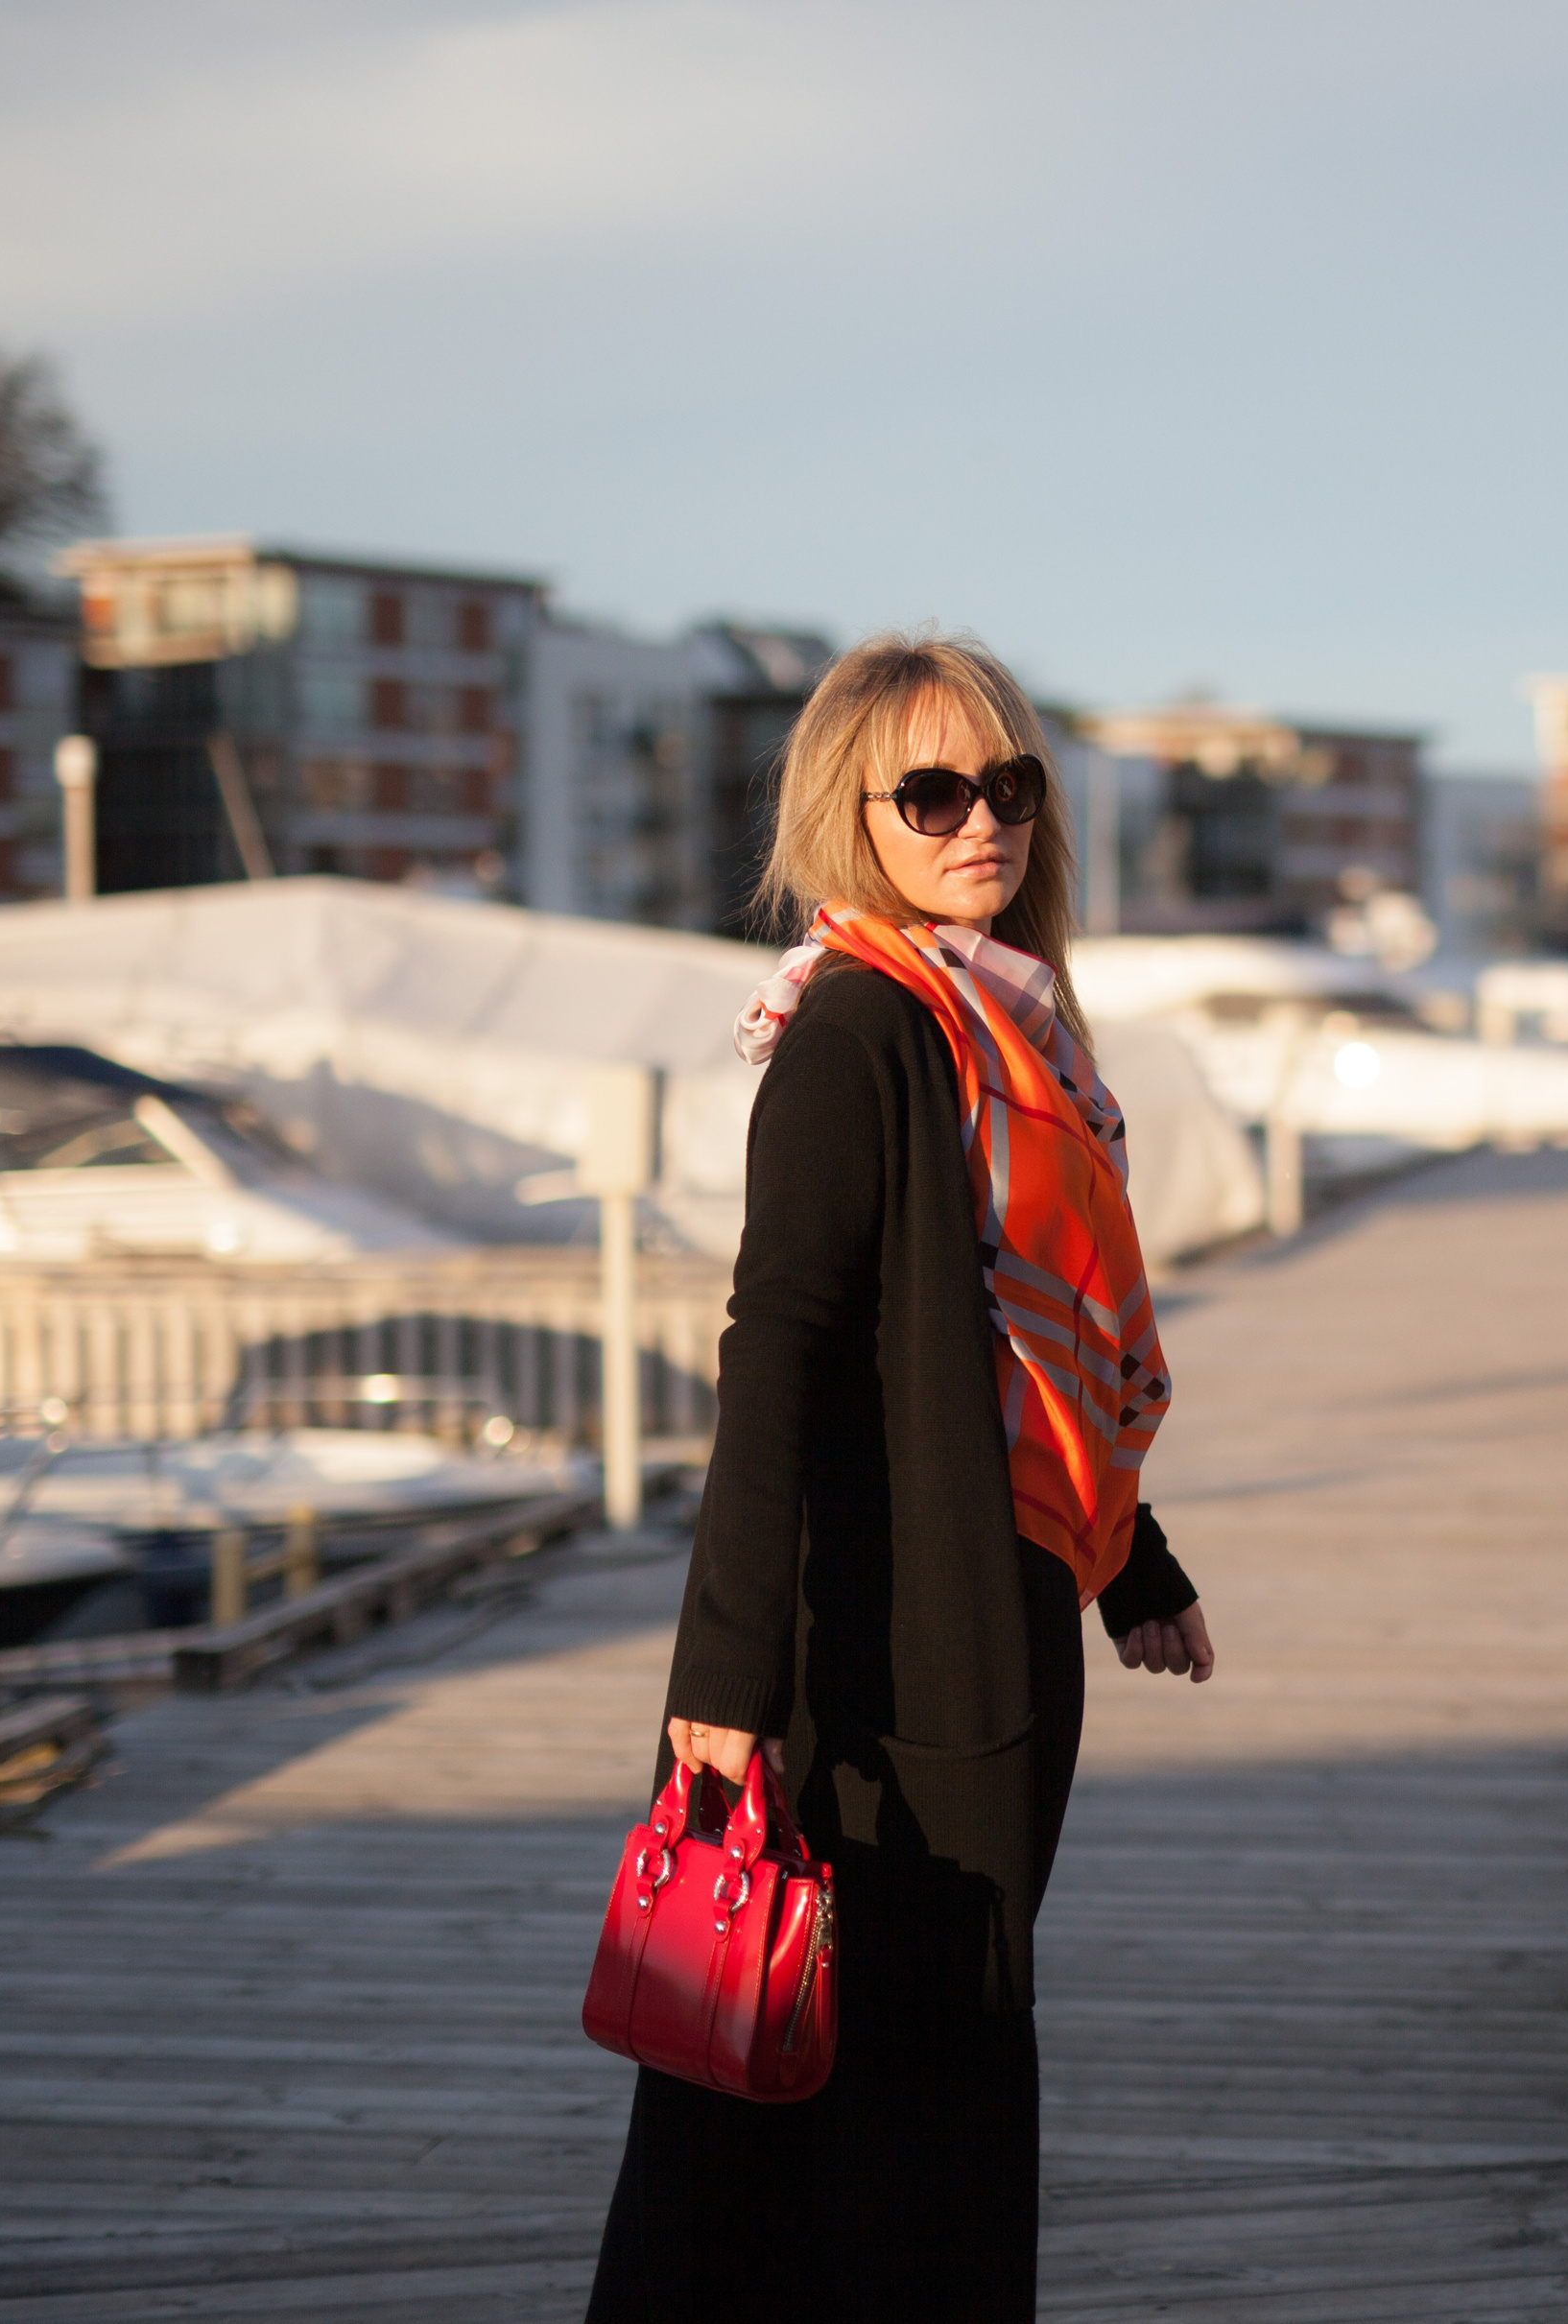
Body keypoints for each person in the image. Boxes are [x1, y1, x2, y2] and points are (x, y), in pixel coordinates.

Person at [585, 631, 1215, 2322]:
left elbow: (1006, 1350)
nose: (977, 823)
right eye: (930, 792)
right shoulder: (864, 1027)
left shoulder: (1013, 1042)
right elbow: (777, 1342)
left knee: (910, 2086)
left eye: (1005, 786)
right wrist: (717, 1677)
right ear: (853, 815)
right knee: (846, 2102)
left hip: (990, 1625)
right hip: (870, 1656)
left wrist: (1128, 1555)